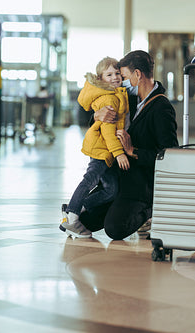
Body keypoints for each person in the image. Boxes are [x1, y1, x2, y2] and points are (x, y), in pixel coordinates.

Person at [62, 50, 178, 240]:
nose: (119, 80)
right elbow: (105, 120)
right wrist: (97, 116)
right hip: (120, 176)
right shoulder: (128, 99)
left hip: (140, 184)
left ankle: (149, 211)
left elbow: (170, 154)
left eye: (123, 76)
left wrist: (134, 151)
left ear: (137, 75)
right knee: (86, 221)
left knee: (115, 229)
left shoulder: (161, 107)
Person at [60, 57, 130, 238]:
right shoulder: (110, 98)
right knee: (90, 179)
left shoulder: (117, 94)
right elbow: (108, 130)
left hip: (107, 150)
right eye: (109, 74)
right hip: (102, 148)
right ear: (100, 79)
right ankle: (73, 217)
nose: (115, 77)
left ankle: (72, 209)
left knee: (111, 190)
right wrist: (119, 153)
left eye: (117, 73)